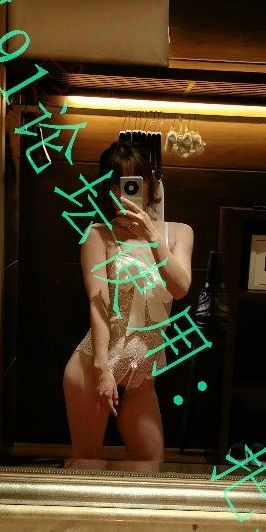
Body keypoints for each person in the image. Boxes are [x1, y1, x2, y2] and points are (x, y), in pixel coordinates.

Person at [63, 141, 194, 470]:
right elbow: (99, 304)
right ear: (107, 189)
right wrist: (102, 369)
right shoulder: (98, 235)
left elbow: (180, 288)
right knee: (88, 463)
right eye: (116, 183)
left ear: (150, 184)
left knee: (149, 465)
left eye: (135, 181)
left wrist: (152, 235)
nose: (126, 192)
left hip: (141, 378)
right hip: (93, 367)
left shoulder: (178, 233)